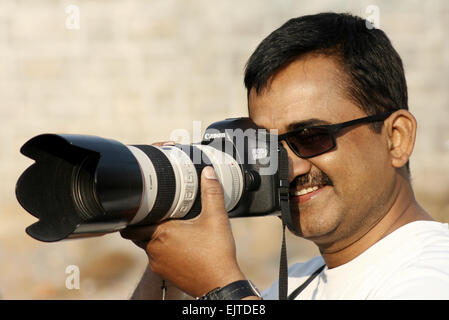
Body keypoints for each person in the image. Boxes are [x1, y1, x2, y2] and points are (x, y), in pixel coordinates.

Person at [121, 12, 449, 300]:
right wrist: (167, 251)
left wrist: (222, 288)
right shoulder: (297, 281)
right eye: (268, 147)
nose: (287, 168)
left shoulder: (432, 275)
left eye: (310, 137)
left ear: (397, 138)